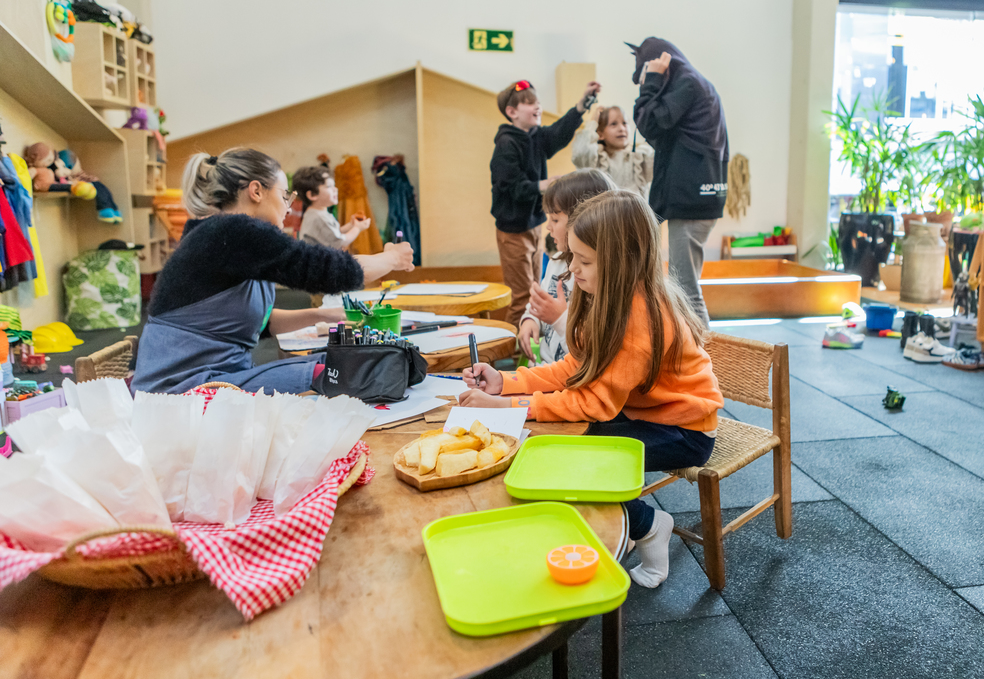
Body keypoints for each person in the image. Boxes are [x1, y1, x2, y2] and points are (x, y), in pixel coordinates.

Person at [459, 190, 722, 588]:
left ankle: (650, 526)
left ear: (620, 261)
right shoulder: (611, 296)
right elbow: (578, 367)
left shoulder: (638, 320)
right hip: (643, 412)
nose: (573, 270)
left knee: (571, 458)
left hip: (685, 431)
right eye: (573, 257)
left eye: (584, 261)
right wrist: (506, 382)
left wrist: (507, 407)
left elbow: (593, 404)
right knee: (558, 447)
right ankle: (628, 524)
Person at [132, 148, 413, 395]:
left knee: (350, 366)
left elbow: (255, 322)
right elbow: (331, 270)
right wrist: (391, 258)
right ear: (256, 191)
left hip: (208, 379)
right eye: (284, 195)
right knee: (348, 371)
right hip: (180, 393)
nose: (288, 208)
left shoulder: (220, 233)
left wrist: (323, 315)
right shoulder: (233, 231)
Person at [629, 37, 730, 325]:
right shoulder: (691, 83)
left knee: (685, 291)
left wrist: (651, 82)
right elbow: (657, 131)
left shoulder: (687, 84)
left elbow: (648, 123)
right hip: (691, 198)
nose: (645, 81)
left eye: (646, 72)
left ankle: (703, 352)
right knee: (681, 288)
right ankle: (691, 348)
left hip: (691, 202)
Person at [491, 78, 600, 327]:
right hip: (513, 232)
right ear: (512, 112)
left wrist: (582, 105)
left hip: (533, 226)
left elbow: (560, 132)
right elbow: (512, 187)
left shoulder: (536, 137)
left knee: (534, 290)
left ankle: (531, 342)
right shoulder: (506, 144)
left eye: (538, 102)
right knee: (521, 299)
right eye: (530, 103)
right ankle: (515, 346)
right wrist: (545, 184)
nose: (537, 106)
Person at [517, 170, 616, 365]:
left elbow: (593, 353)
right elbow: (539, 305)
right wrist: (530, 320)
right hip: (544, 369)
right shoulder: (556, 261)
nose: (548, 227)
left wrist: (559, 319)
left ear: (583, 220)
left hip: (573, 373)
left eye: (555, 220)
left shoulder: (598, 275)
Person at [571, 105, 653, 198]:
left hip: (635, 207)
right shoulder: (597, 158)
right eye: (613, 124)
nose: (621, 129)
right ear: (600, 134)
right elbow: (580, 154)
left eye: (625, 123)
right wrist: (593, 123)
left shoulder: (640, 157)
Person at [292, 164, 372, 250]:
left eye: (334, 185)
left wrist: (351, 225)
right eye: (329, 186)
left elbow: (333, 234)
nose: (335, 189)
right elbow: (340, 242)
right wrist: (357, 228)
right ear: (312, 195)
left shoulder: (317, 213)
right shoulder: (317, 218)